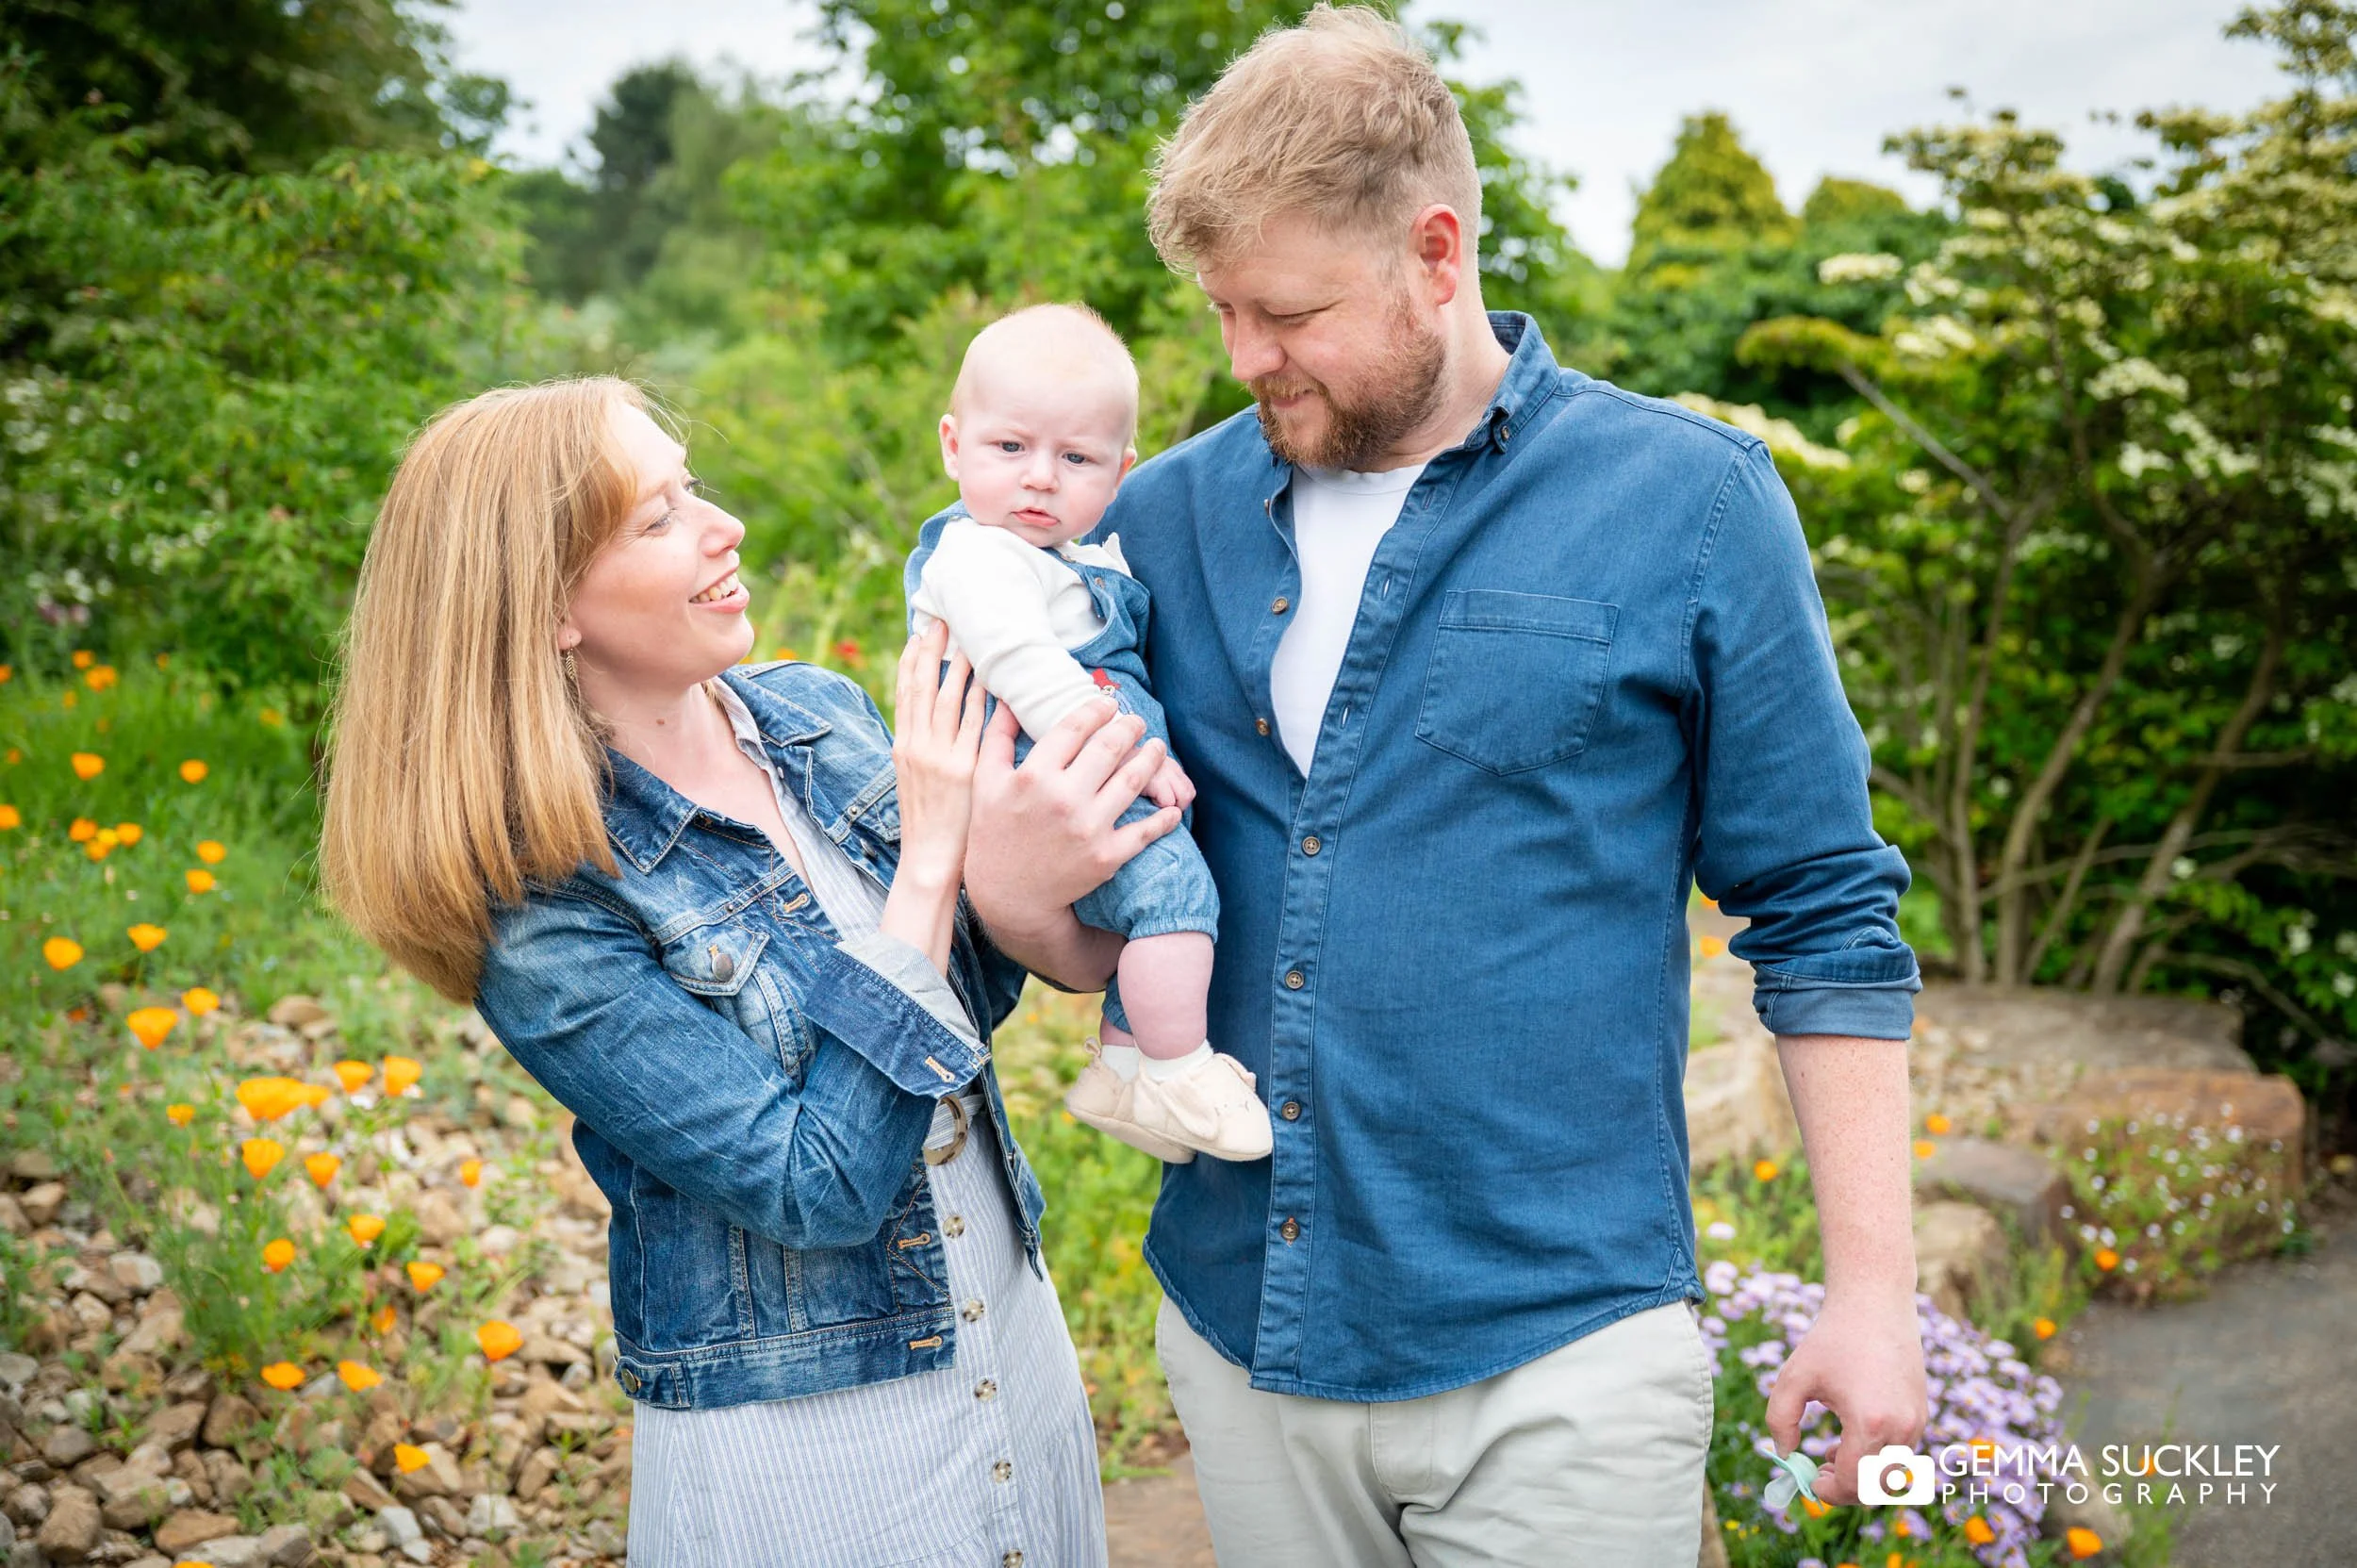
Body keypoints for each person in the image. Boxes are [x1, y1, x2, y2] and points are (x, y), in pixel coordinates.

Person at [953, 8, 1930, 1564]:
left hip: (1561, 1353)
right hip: (1244, 1329)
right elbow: (1105, 920)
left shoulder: (1690, 502)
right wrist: (1009, 876)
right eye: (1221, 313)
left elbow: (1823, 909)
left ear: (1436, 249)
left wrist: (1873, 1294)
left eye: (1287, 311)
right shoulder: (1156, 520)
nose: (1246, 356)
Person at [320, 378, 1162, 1566]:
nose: (726, 530)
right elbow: (818, 1186)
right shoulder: (547, 913)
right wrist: (929, 865)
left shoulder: (816, 718)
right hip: (815, 1447)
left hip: (1014, 1345)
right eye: (657, 518)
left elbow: (961, 1013)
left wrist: (1028, 878)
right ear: (548, 606)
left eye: (693, 489)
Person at [906, 304, 1274, 1164]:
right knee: (1177, 903)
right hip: (1060, 766)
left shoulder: (1076, 562)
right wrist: (1131, 754)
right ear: (954, 445)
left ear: (1120, 474)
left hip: (1081, 768)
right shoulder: (977, 556)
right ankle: (1181, 1069)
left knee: (1158, 907)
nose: (1040, 478)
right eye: (1011, 449)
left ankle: (1120, 1063)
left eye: (1075, 459)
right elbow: (1021, 658)